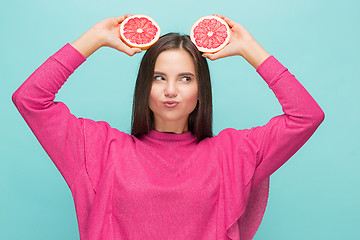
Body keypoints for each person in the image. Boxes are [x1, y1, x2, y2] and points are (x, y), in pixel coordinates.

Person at [12, 13, 324, 240]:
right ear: (143, 86)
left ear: (201, 90)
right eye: (159, 78)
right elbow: (30, 100)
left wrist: (250, 49)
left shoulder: (233, 153)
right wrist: (94, 38)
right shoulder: (99, 149)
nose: (170, 90)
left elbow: (306, 116)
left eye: (185, 79)